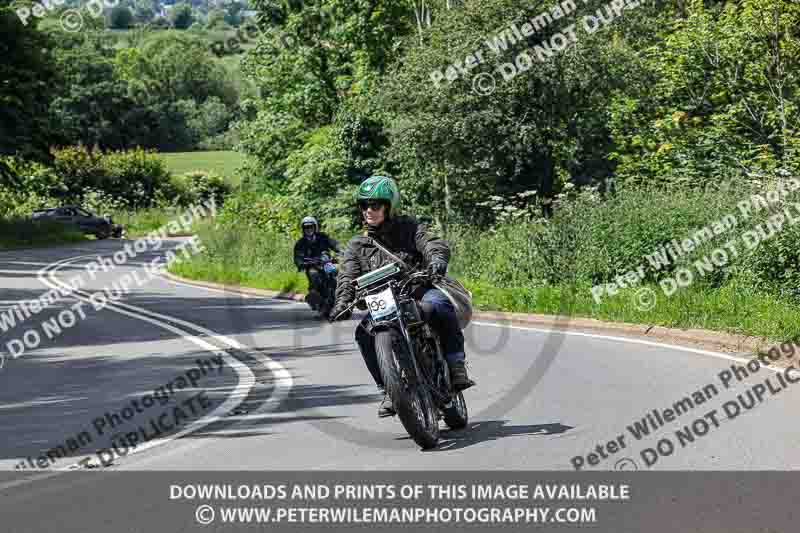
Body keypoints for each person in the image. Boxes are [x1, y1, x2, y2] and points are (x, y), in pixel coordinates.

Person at [330, 176, 473, 418]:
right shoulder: (357, 244)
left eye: (375, 205)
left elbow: (431, 243)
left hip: (415, 290)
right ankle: (388, 388)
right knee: (363, 333)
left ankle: (456, 363)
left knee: (439, 304)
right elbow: (347, 275)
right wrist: (342, 302)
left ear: (389, 206)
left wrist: (437, 260)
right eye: (364, 205)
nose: (369, 211)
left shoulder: (409, 227)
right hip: (382, 301)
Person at [293, 216, 340, 312]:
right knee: (313, 274)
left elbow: (333, 244)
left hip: (326, 263)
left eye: (311, 226)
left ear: (315, 227)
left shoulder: (322, 237)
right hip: (312, 265)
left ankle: (341, 295)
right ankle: (314, 296)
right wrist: (301, 263)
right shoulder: (300, 243)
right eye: (306, 227)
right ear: (303, 229)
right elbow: (297, 257)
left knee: (337, 272)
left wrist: (341, 250)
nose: (308, 229)